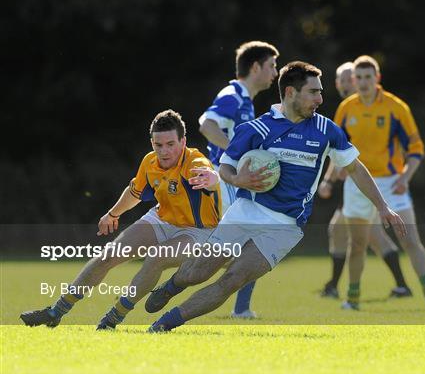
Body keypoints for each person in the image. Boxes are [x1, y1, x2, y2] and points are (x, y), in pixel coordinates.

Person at [144, 61, 406, 332]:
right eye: (313, 92)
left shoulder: (327, 130)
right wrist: (237, 179)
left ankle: (165, 324)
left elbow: (355, 168)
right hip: (246, 211)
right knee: (197, 272)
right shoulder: (257, 129)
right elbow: (226, 166)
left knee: (233, 279)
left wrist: (383, 206)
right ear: (291, 93)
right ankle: (173, 285)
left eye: (320, 92)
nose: (320, 98)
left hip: (285, 227)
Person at [20, 109, 221, 329]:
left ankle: (115, 316)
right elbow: (135, 192)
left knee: (156, 258)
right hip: (162, 218)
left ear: (183, 142)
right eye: (158, 144)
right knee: (108, 255)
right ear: (152, 143)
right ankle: (56, 311)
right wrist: (113, 213)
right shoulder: (150, 161)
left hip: (198, 230)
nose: (164, 151)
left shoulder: (194, 161)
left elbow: (209, 177)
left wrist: (212, 178)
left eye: (171, 144)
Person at [330, 55, 425, 310]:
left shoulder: (395, 107)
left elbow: (416, 148)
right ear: (353, 80)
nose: (364, 82)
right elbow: (336, 145)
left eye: (369, 77)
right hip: (358, 183)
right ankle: (353, 299)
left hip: (392, 183)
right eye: (359, 78)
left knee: (410, 240)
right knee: (357, 244)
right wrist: (336, 168)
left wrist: (404, 178)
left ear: (377, 78)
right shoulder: (347, 108)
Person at [196, 41, 279, 318]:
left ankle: (241, 309)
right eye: (271, 66)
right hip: (223, 181)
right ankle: (239, 309)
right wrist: (236, 154)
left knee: (247, 244)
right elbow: (206, 124)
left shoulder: (245, 101)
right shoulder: (232, 94)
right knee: (241, 245)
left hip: (230, 182)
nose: (275, 73)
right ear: (255, 67)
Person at [318, 62, 411, 299]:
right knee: (347, 231)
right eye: (342, 78)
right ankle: (334, 285)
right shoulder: (348, 107)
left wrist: (331, 178)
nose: (344, 82)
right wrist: (332, 177)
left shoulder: (363, 106)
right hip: (355, 184)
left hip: (369, 183)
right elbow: (338, 152)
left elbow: (347, 153)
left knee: (368, 235)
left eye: (347, 78)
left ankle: (399, 286)